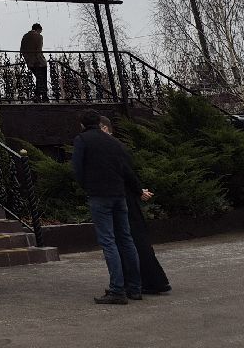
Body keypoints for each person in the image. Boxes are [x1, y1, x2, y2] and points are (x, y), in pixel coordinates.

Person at [72, 109, 144, 304]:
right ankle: (135, 287)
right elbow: (125, 168)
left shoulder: (83, 140)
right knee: (126, 239)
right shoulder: (114, 142)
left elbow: (77, 168)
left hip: (99, 194)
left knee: (108, 241)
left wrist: (87, 186)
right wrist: (137, 189)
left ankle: (117, 289)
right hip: (119, 194)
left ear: (82, 124)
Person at [99, 116, 170, 295]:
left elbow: (126, 172)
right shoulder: (116, 146)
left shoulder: (111, 147)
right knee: (133, 239)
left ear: (105, 128)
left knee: (133, 239)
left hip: (124, 198)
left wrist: (138, 190)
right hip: (126, 196)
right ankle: (146, 281)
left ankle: (149, 281)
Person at [21, 22, 48, 101]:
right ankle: (42, 96)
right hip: (39, 62)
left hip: (30, 62)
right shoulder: (39, 37)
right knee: (42, 78)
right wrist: (38, 60)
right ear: (38, 29)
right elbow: (38, 50)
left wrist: (28, 60)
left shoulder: (25, 36)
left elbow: (22, 49)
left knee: (39, 78)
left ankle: (39, 95)